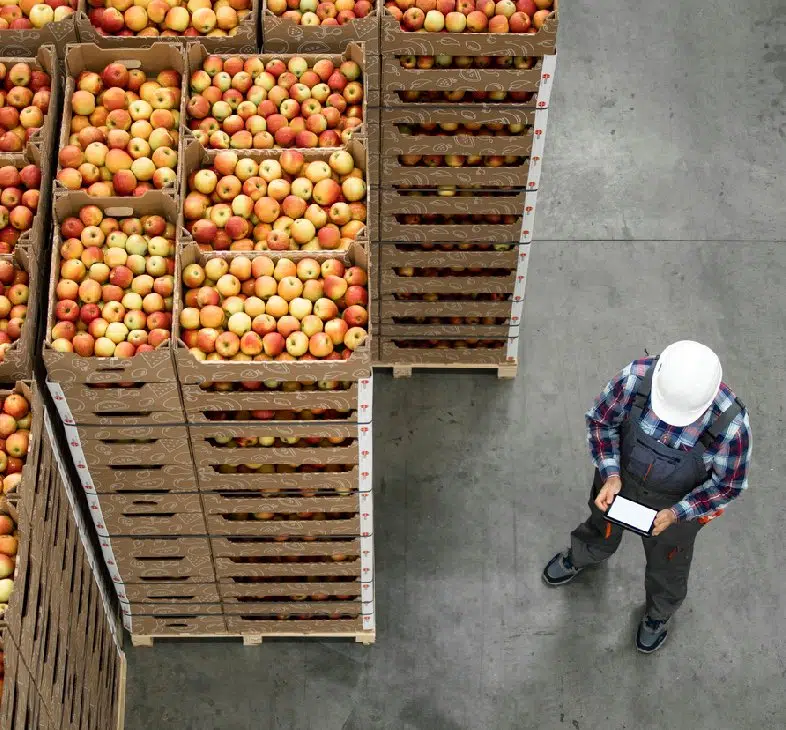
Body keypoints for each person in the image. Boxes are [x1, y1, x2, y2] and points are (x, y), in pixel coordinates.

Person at [542, 341, 752, 653]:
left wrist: (678, 512)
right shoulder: (635, 378)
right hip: (619, 481)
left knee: (669, 562)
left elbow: (726, 487)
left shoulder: (731, 427)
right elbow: (601, 423)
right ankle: (585, 553)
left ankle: (658, 613)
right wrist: (611, 474)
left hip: (677, 507)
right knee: (601, 525)